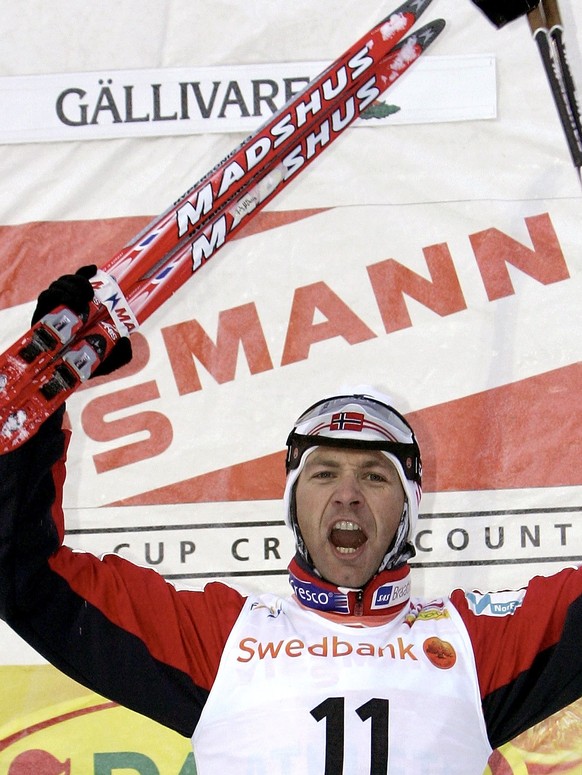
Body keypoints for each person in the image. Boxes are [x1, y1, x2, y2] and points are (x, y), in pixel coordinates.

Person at [1, 269, 582, 775]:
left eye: (376, 478)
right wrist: (42, 401)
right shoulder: (224, 642)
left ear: (409, 507)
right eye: (324, 474)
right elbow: (22, 577)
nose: (348, 496)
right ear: (293, 503)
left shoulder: (473, 646)